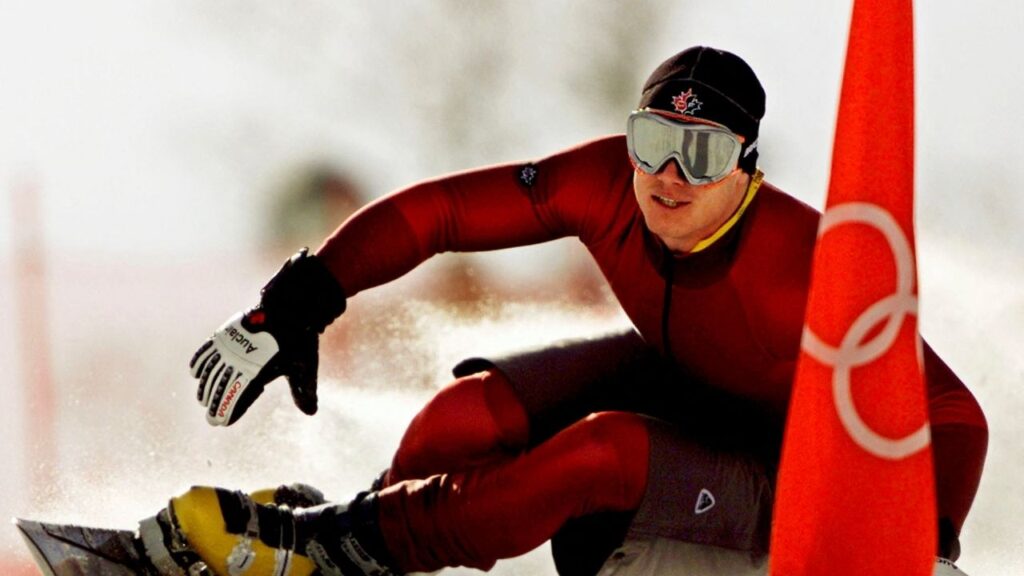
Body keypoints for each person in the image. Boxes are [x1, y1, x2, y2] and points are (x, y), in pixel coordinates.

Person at [174, 46, 987, 576]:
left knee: (602, 452)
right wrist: (301, 301)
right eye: (652, 140)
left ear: (746, 166)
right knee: (468, 413)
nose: (669, 176)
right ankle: (354, 525)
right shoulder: (605, 185)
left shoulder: (802, 269)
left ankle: (340, 548)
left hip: (785, 471)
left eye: (701, 153)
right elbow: (441, 214)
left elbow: (955, 412)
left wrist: (933, 541)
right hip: (683, 381)